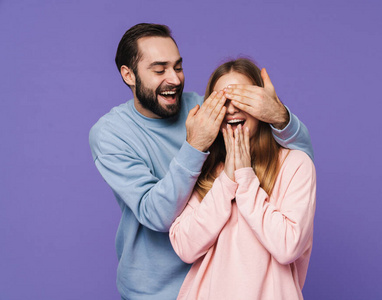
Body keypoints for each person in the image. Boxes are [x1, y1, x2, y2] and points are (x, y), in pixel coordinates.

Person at [89, 23, 314, 300]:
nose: (174, 79)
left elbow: (296, 157)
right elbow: (156, 214)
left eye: (178, 67)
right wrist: (196, 145)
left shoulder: (207, 108)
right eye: (159, 70)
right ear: (128, 75)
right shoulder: (111, 134)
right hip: (152, 290)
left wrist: (278, 116)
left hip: (216, 284)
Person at [169, 58, 316, 300]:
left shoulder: (296, 164)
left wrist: (245, 180)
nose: (232, 109)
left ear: (262, 104)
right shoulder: (203, 170)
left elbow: (288, 246)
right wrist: (227, 180)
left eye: (242, 98)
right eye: (222, 101)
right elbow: (185, 247)